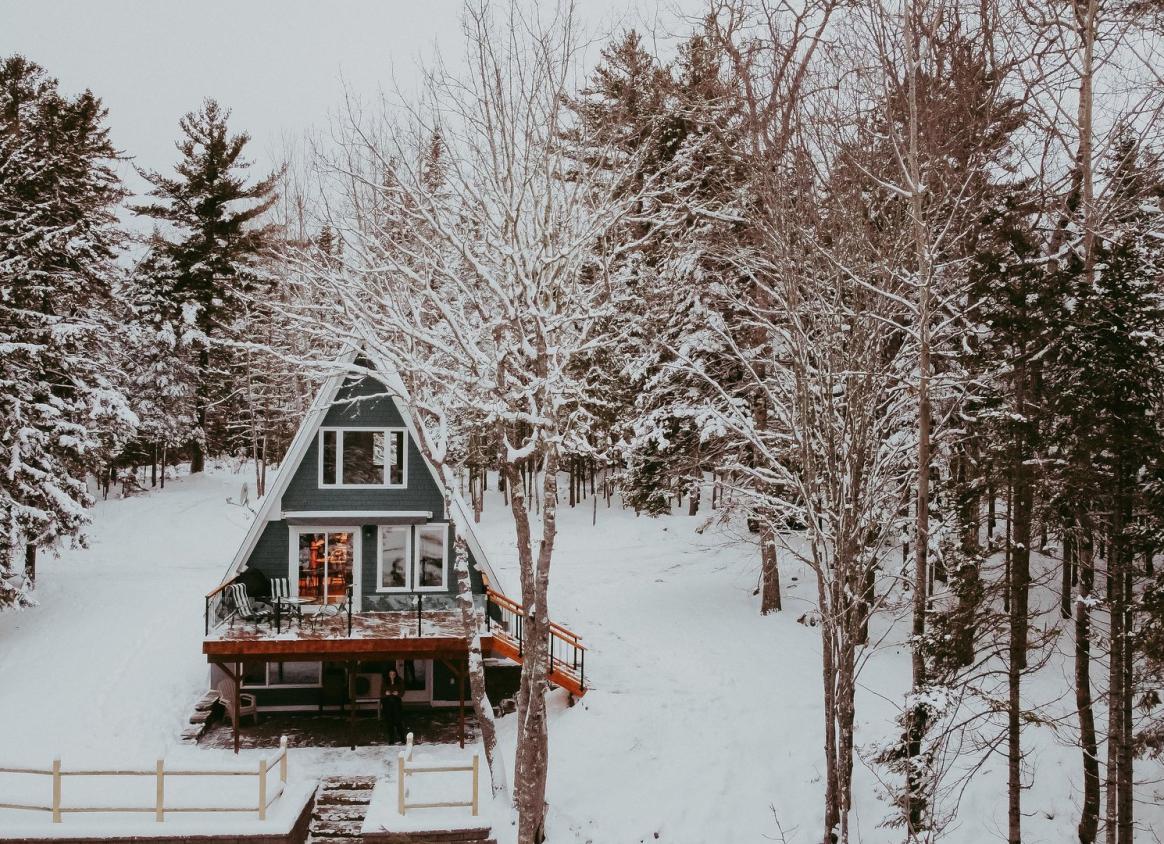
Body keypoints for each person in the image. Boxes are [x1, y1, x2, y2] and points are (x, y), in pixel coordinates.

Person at [383, 666, 407, 744]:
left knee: (398, 721)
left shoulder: (399, 681)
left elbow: (402, 692)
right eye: (390, 674)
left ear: (396, 674)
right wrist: (385, 693)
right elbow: (381, 692)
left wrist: (398, 693)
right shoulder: (385, 681)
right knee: (389, 722)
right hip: (387, 702)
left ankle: (402, 738)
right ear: (388, 674)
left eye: (393, 674)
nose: (392, 675)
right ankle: (391, 739)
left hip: (396, 702)